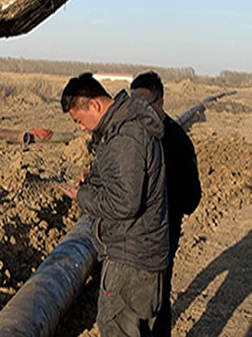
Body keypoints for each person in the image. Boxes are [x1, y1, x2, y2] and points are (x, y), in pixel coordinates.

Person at [59, 73, 169, 337]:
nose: (81, 128)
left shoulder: (125, 137)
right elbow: (124, 179)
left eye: (79, 120)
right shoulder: (119, 130)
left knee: (116, 327)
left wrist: (83, 197)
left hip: (130, 259)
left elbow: (125, 203)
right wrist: (95, 178)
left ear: (95, 106)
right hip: (141, 254)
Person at [131, 71, 202, 337]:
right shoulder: (136, 136)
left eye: (143, 104)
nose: (137, 111)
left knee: (158, 299)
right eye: (133, 104)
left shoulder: (176, 141)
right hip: (136, 233)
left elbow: (191, 198)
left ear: (159, 103)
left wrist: (166, 203)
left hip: (163, 231)